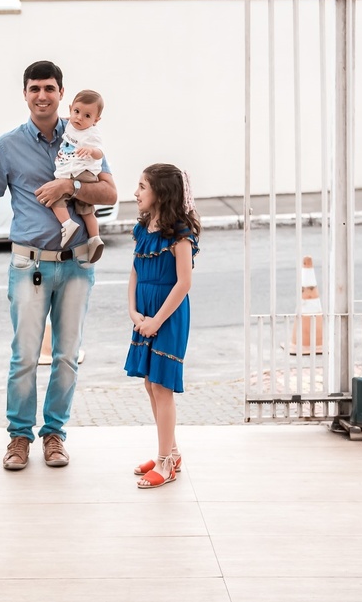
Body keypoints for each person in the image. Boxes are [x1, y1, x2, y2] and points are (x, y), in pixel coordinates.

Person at [0, 61, 117, 471]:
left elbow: (110, 192)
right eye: (34, 88)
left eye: (49, 88)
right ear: (25, 94)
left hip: (78, 264)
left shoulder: (82, 138)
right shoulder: (7, 145)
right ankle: (19, 438)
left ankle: (55, 435)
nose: (42, 95)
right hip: (28, 264)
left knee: (67, 357)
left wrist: (70, 185)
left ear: (61, 94)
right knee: (25, 357)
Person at [124, 163, 200, 489]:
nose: (136, 193)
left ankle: (166, 462)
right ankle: (170, 451)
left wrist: (157, 319)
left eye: (142, 187)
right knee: (148, 383)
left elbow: (184, 283)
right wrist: (133, 312)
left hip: (168, 316)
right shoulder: (143, 229)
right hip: (145, 315)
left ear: (161, 193)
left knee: (161, 385)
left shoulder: (179, 234)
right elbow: (135, 273)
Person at [52, 89, 106, 265]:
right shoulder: (70, 124)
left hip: (79, 172)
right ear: (70, 109)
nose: (79, 118)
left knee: (55, 197)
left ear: (96, 120)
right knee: (86, 210)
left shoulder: (92, 133)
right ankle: (95, 238)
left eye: (87, 116)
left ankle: (67, 225)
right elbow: (66, 120)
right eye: (76, 112)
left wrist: (91, 150)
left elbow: (99, 152)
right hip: (78, 172)